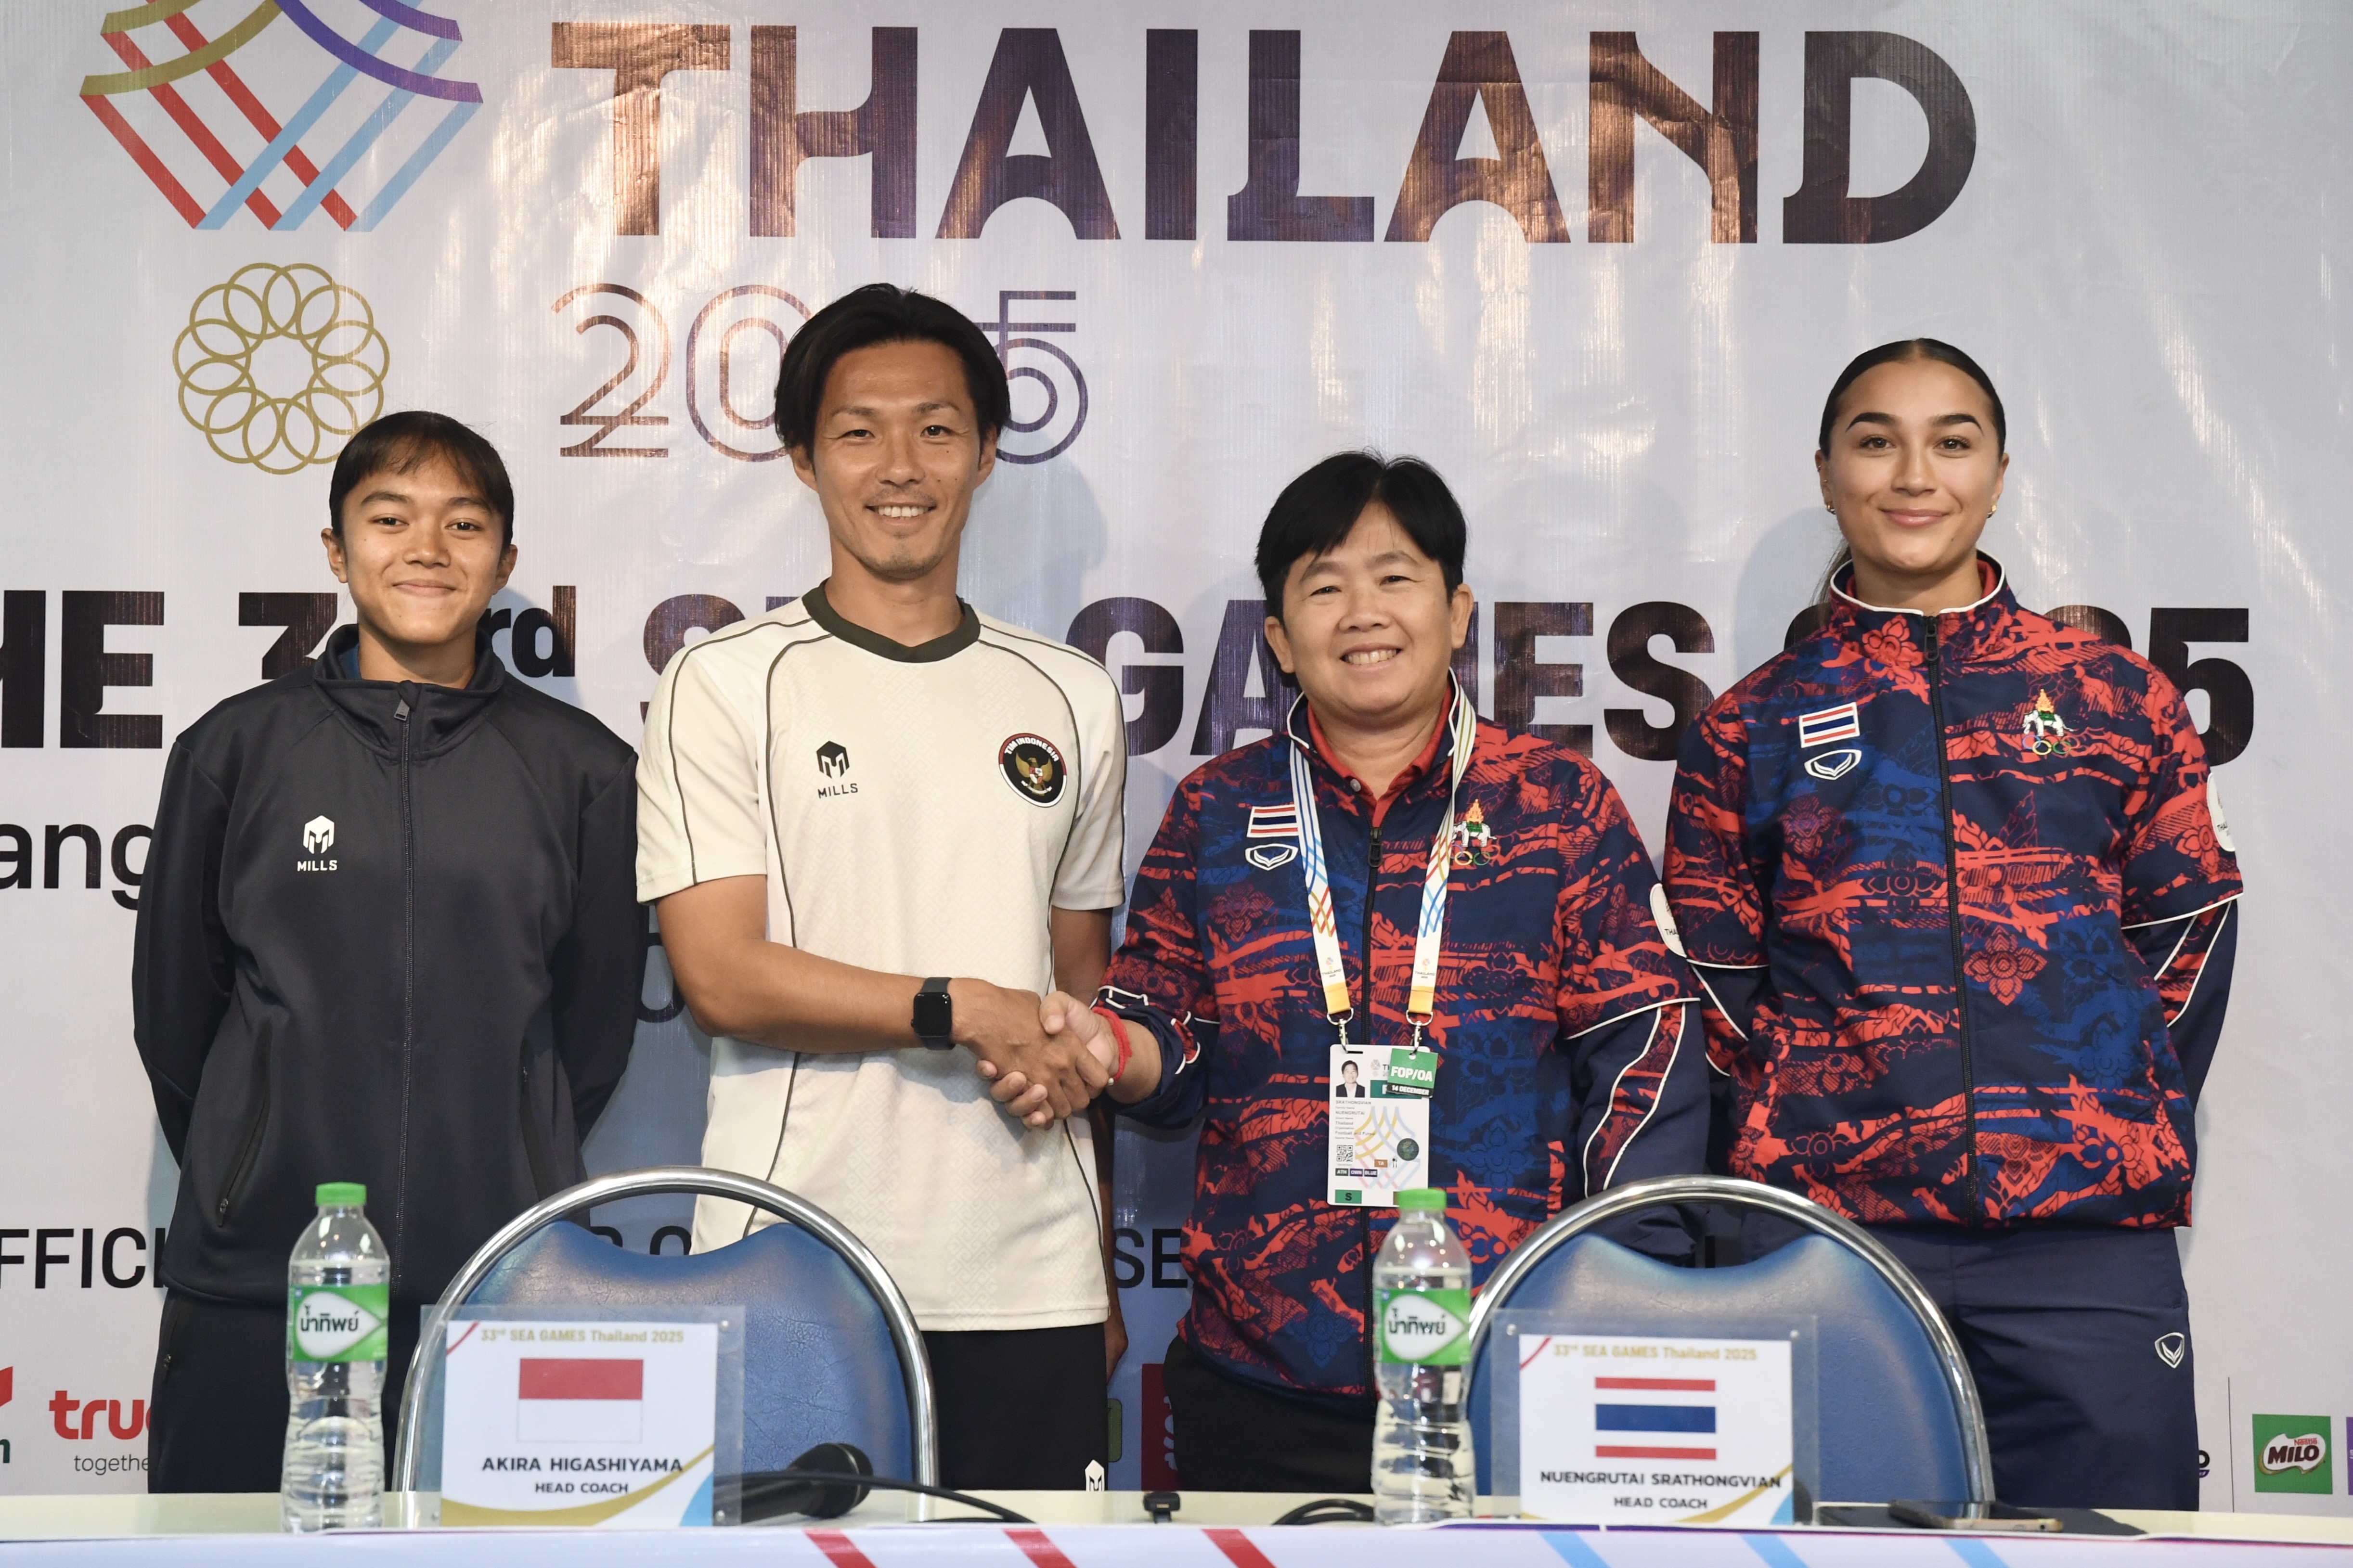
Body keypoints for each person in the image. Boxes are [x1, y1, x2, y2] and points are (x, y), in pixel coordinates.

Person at [1029, 452, 1707, 1491]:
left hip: (1508, 1364)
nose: (1363, 613)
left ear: (1457, 611)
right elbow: (1162, 1034)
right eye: (1324, 586)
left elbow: (1645, 1052)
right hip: (1261, 1370)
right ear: (1278, 639)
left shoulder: (1557, 806)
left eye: (1395, 578)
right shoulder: (1218, 811)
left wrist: (1625, 1287)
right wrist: (1107, 1047)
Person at [1664, 340, 2242, 1509]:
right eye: (1875, 441)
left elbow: (2185, 937)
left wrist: (2100, 1105)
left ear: (1998, 473)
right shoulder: (1750, 725)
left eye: (1951, 441)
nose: (1913, 474)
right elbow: (1716, 988)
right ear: (1825, 473)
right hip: (1834, 1241)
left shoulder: (2115, 696)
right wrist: (1808, 1127)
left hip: (2081, 1238)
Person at [637, 283, 1128, 1490]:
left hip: (1031, 1278)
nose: (900, 467)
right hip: (791, 1262)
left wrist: (1097, 1264)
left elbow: (1080, 1007)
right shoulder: (724, 682)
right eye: (859, 432)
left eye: (936, 429)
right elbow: (721, 977)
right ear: (804, 460)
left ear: (986, 452)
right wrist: (958, 1006)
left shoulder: (1069, 694)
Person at [133, 411, 643, 1491]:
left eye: (464, 524)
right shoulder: (234, 749)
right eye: (390, 518)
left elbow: (593, 1030)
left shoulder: (584, 769)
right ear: (336, 549)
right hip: (261, 1277)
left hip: (503, 1282)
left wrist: (515, 1153)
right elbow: (176, 1015)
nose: (427, 549)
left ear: (504, 559)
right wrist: (247, 1162)